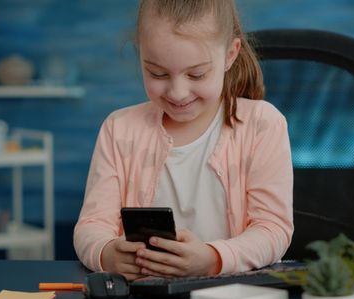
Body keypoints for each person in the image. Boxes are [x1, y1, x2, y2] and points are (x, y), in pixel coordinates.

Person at [74, 0, 293, 280]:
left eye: (196, 74)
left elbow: (273, 229)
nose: (177, 93)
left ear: (229, 55)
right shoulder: (118, 129)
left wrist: (213, 258)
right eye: (158, 73)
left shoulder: (263, 125)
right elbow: (91, 225)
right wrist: (105, 253)